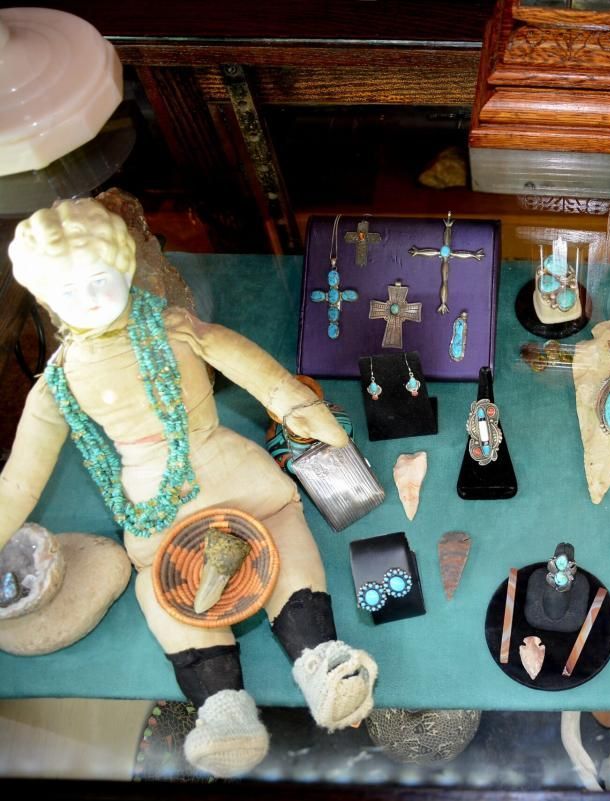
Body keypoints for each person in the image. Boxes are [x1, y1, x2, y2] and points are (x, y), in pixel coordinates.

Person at [0, 198, 378, 777]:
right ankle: (222, 708)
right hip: (156, 507)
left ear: (125, 266)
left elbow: (250, 367)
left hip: (230, 467)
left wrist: (296, 405)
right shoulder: (56, 385)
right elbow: (21, 478)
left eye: (101, 279)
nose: (92, 299)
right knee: (163, 586)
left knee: (281, 525)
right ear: (47, 300)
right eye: (70, 291)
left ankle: (320, 659)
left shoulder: (175, 325)